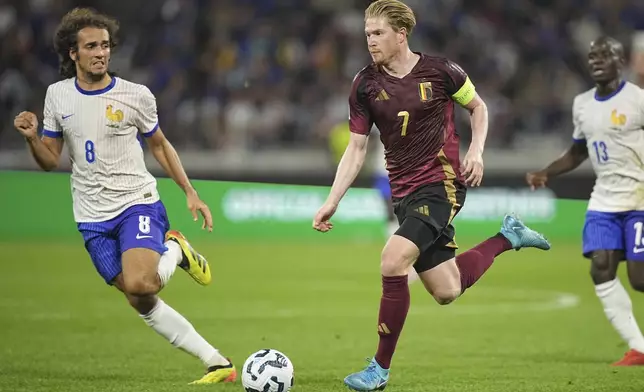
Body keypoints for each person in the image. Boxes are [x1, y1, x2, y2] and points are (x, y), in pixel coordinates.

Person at [312, 1, 551, 390]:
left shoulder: (441, 71)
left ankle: (379, 369)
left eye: (378, 33)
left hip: (442, 184)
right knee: (447, 289)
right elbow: (356, 149)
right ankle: (508, 236)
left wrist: (476, 151)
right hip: (403, 191)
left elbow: (478, 107)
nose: (370, 41)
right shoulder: (365, 84)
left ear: (400, 34)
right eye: (367, 34)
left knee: (392, 261)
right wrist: (332, 200)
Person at [12, 8, 237, 384]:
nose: (101, 52)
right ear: (73, 53)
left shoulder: (135, 95)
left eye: (105, 45)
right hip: (91, 217)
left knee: (140, 283)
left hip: (136, 201)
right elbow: (50, 161)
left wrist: (190, 192)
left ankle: (176, 249)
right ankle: (218, 363)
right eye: (91, 46)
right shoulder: (58, 97)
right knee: (140, 299)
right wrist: (33, 138)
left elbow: (161, 147)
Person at [527, 36, 644, 367]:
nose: (596, 60)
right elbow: (579, 150)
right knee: (601, 268)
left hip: (639, 200)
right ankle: (639, 347)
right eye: (593, 55)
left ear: (622, 62)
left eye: (606, 54)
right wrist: (547, 172)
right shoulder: (582, 104)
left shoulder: (638, 100)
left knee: (639, 279)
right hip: (604, 202)